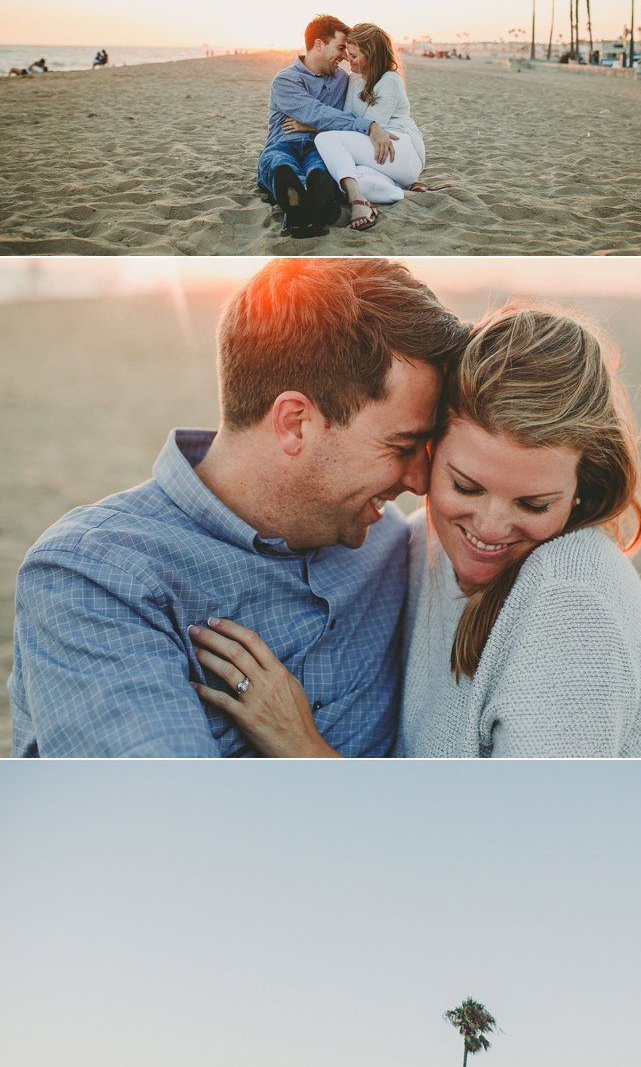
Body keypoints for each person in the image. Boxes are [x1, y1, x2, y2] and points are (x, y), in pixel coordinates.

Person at [203, 303, 641, 759]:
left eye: (534, 504)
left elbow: (526, 848)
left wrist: (302, 749)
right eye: (466, 487)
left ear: (583, 486)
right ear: (429, 451)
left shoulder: (571, 602)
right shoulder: (420, 542)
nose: (490, 529)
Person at [10, 260, 467, 757]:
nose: (420, 482)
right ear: (295, 423)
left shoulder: (390, 545)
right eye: (402, 446)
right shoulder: (97, 576)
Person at [257, 15, 397, 239]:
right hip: (284, 144)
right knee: (279, 165)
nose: (344, 56)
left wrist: (313, 127)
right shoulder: (285, 80)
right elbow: (318, 114)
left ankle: (300, 211)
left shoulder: (342, 79)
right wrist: (368, 126)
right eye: (341, 48)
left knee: (320, 170)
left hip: (318, 147)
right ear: (319, 45)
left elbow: (343, 115)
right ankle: (308, 203)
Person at [307, 23, 425, 231]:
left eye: (353, 55)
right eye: (347, 53)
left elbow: (366, 124)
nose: (347, 59)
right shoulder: (354, 79)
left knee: (324, 139)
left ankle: (357, 202)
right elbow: (349, 121)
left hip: (400, 147)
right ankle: (404, 193)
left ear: (371, 55)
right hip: (376, 153)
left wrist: (310, 127)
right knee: (352, 178)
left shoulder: (390, 80)